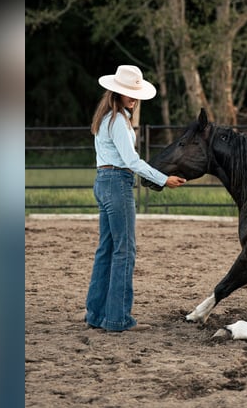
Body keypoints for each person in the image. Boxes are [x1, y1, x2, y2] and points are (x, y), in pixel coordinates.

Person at [85, 65, 186, 332]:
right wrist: (163, 178)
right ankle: (118, 318)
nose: (134, 98)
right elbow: (131, 161)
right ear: (117, 92)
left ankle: (96, 314)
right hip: (117, 183)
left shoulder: (105, 118)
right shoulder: (118, 121)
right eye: (130, 93)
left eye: (135, 93)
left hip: (103, 181)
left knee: (106, 249)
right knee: (124, 251)